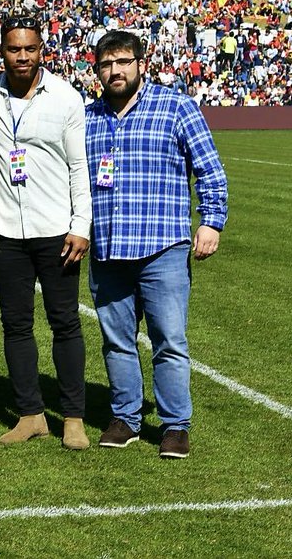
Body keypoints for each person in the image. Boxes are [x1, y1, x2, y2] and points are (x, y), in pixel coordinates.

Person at [85, 29, 228, 460]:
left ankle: (174, 425)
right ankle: (126, 417)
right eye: (107, 64)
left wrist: (212, 222)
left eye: (124, 61)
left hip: (162, 246)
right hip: (108, 248)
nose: (116, 70)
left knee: (169, 340)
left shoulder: (175, 107)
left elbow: (210, 170)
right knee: (116, 340)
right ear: (97, 70)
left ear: (140, 64)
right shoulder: (87, 117)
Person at [0, 16, 92, 450]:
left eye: (29, 49)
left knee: (65, 324)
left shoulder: (66, 97)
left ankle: (73, 418)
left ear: (43, 50)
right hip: (5, 233)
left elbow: (80, 167)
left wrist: (81, 226)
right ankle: (30, 414)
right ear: (1, 51)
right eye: (13, 49)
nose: (21, 57)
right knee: (16, 325)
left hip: (56, 230)